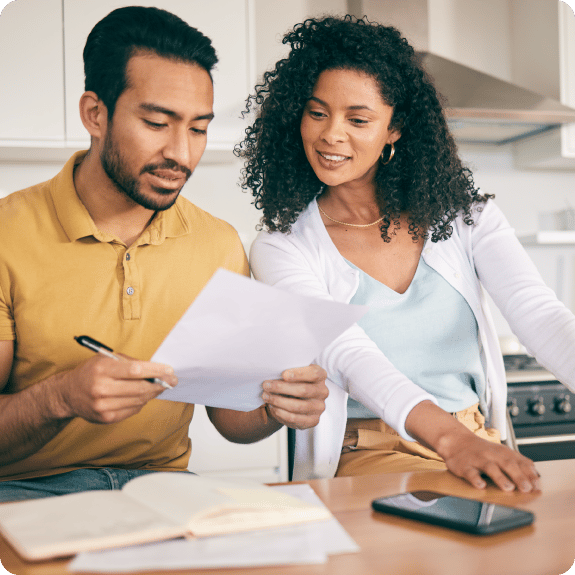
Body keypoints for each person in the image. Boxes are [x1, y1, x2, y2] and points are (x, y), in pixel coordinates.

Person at [0, 6, 328, 502]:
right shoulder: (8, 234)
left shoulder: (215, 243)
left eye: (198, 129)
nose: (182, 153)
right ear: (95, 113)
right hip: (25, 491)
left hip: (164, 490)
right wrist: (59, 397)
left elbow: (230, 417)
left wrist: (277, 409)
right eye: (157, 122)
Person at [236, 15, 575, 492]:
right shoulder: (282, 248)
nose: (331, 134)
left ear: (393, 130)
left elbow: (540, 314)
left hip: (474, 436)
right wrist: (451, 440)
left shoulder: (467, 219)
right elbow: (349, 355)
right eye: (317, 113)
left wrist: (463, 439)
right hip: (369, 454)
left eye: (357, 119)